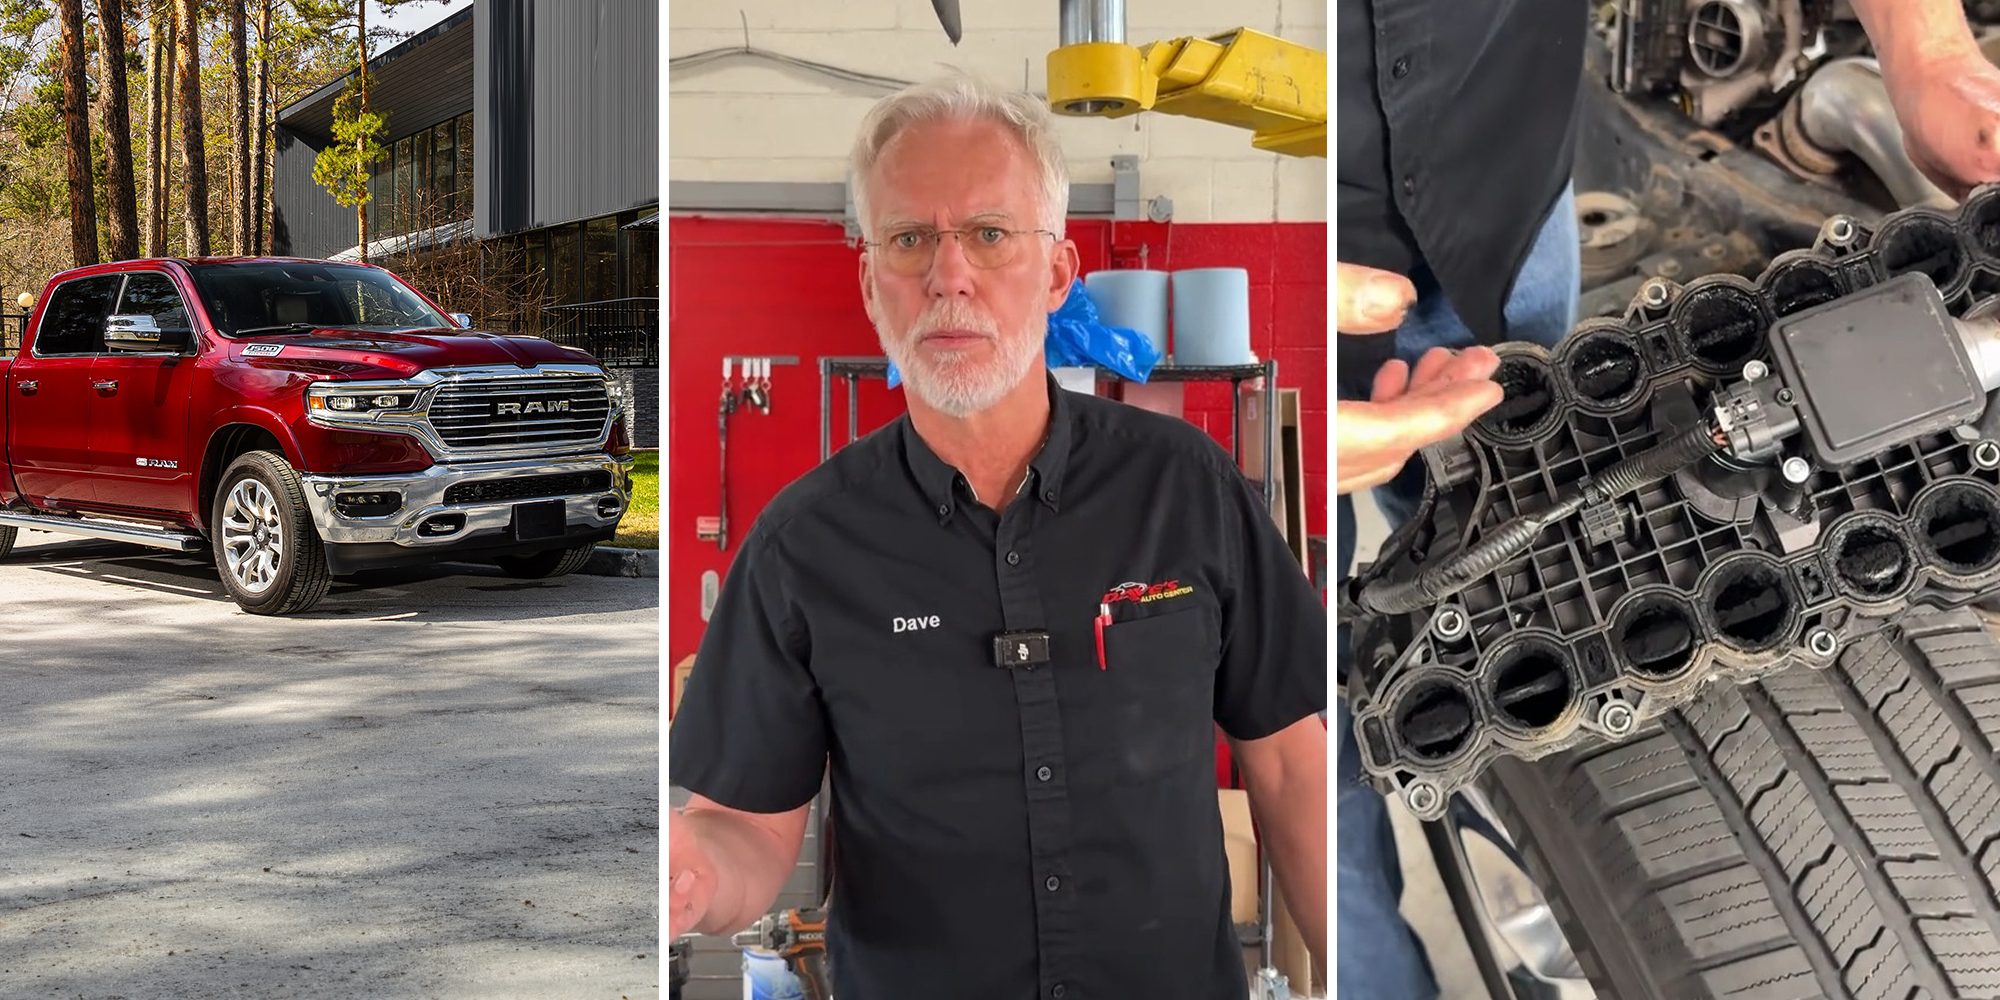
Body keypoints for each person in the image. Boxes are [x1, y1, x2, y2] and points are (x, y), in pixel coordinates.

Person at [1336, 2, 2000, 998]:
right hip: (1267, 245)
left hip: (1501, 169)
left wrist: (1925, 46)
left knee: (1484, 463)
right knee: (1286, 700)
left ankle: (1490, 764)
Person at [669, 71, 1329, 999]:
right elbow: (747, 824)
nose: (949, 276)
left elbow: (1291, 763)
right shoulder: (801, 548)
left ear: (1057, 270)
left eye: (988, 233)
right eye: (908, 239)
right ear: (870, 281)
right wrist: (693, 874)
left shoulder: (1185, 486)